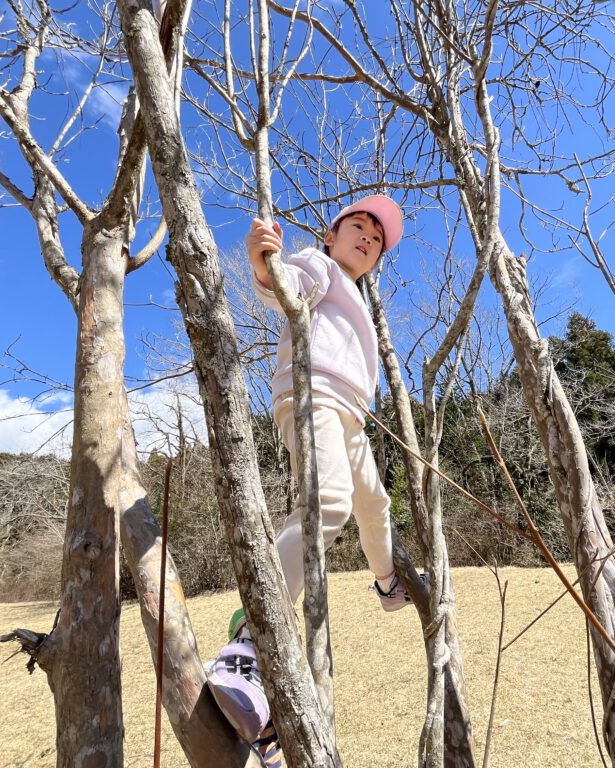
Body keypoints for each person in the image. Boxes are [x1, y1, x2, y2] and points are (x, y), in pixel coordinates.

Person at [205, 195, 425, 762]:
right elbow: (286, 288)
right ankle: (249, 639)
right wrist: (264, 262)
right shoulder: (320, 264)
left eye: (377, 240)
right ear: (331, 236)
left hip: (348, 413)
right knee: (328, 503)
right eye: (359, 227)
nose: (368, 239)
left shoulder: (358, 298)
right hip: (311, 394)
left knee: (374, 502)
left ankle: (387, 583)